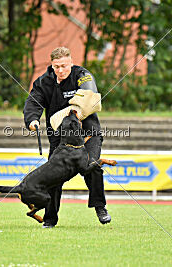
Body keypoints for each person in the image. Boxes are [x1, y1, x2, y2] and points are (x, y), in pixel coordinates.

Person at [23, 47, 111, 228]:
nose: (61, 70)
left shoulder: (82, 75)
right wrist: (32, 119)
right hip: (60, 139)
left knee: (92, 166)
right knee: (52, 176)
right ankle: (50, 219)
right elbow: (34, 101)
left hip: (87, 134)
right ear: (52, 65)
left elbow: (89, 92)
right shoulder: (44, 82)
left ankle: (99, 207)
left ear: (71, 62)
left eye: (64, 66)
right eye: (57, 67)